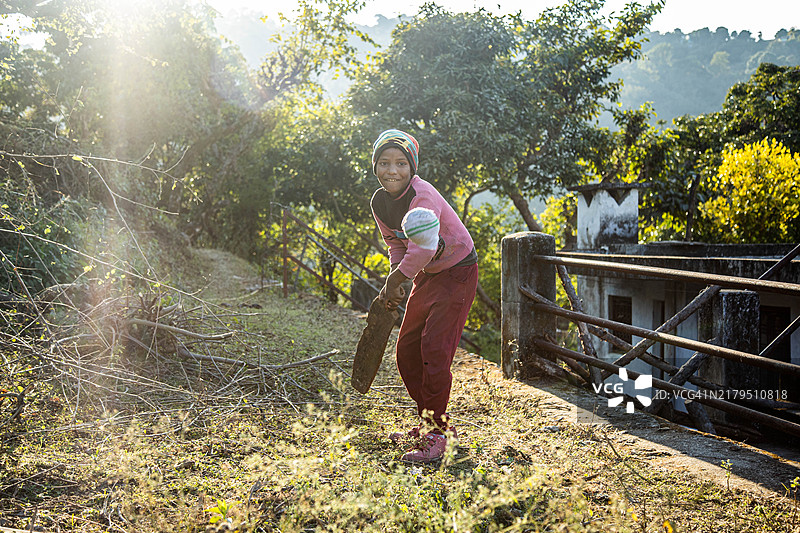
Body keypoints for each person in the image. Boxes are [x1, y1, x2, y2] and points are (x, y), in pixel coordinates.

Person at [369, 129, 478, 463]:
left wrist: (395, 280)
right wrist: (397, 277)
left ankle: (439, 434)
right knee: (407, 351)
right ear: (375, 166)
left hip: (457, 272)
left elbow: (424, 248)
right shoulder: (379, 203)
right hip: (427, 275)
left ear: (412, 167)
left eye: (401, 163)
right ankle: (430, 422)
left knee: (434, 350)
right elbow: (396, 244)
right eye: (384, 162)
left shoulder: (423, 196)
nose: (392, 170)